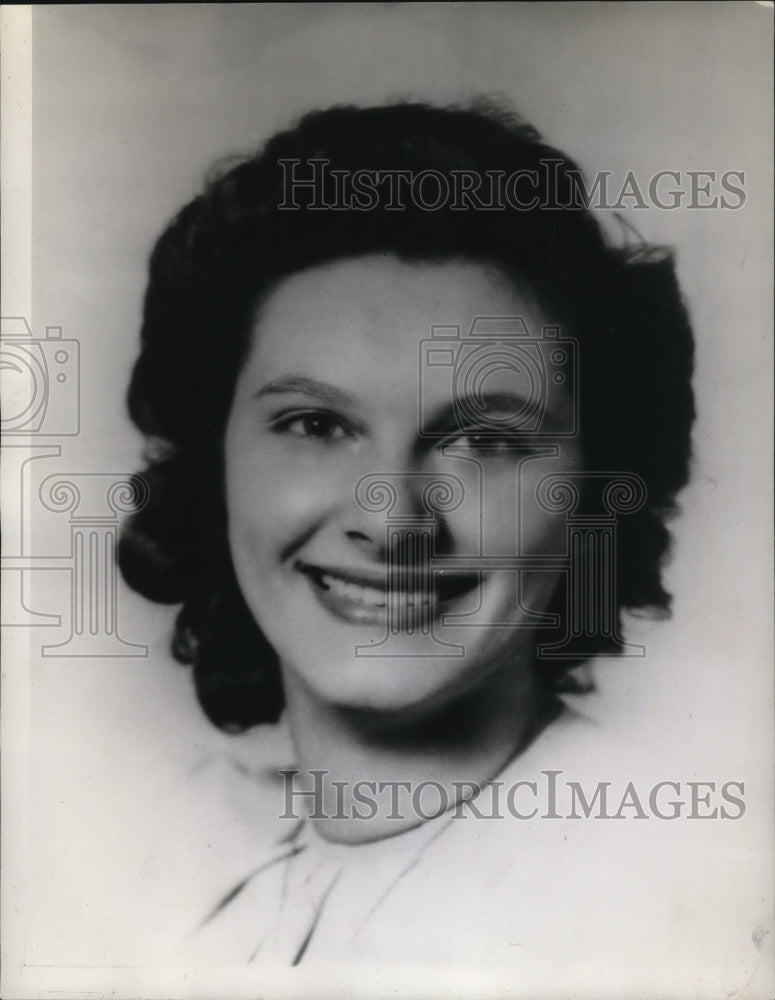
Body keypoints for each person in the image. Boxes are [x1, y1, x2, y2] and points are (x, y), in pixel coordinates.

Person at [118, 101, 695, 968]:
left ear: (594, 490)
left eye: (487, 441)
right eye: (315, 424)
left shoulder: (667, 907)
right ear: (215, 460)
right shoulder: (161, 870)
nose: (391, 523)